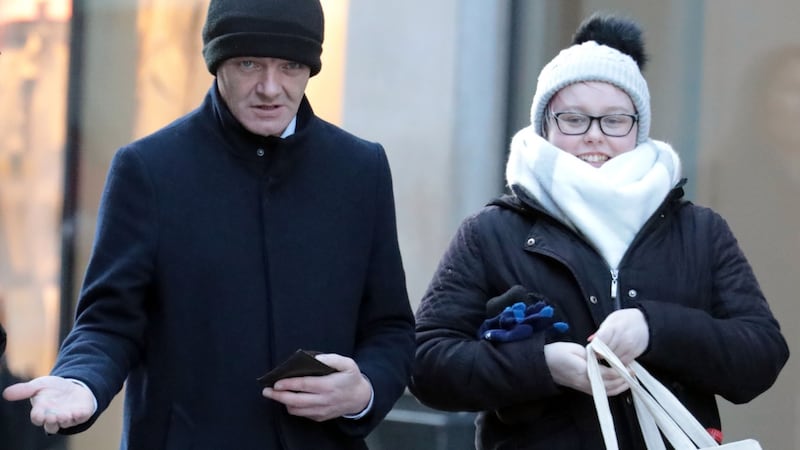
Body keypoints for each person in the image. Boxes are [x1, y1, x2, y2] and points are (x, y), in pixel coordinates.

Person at [2, 0, 415, 448]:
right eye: (249, 63)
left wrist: (363, 391)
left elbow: (390, 328)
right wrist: (81, 381)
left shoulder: (361, 169)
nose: (271, 88)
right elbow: (108, 322)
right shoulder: (148, 169)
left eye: (291, 66)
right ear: (217, 63)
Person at [409, 12, 789, 450]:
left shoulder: (700, 231)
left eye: (614, 120)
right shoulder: (491, 231)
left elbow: (761, 355)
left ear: (637, 128)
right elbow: (426, 364)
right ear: (546, 125)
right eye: (574, 119)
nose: (594, 137)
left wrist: (654, 328)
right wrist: (542, 365)